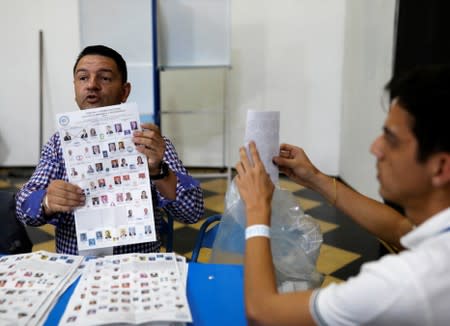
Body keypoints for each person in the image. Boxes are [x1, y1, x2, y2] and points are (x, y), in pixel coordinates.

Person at [235, 65, 450, 325]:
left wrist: (257, 209)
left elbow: (263, 311)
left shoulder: (406, 282)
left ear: (440, 166)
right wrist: (317, 179)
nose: (375, 148)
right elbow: (399, 229)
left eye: (391, 139)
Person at [16, 45, 204, 255]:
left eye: (104, 78)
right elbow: (23, 206)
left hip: (137, 266)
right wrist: (47, 201)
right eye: (83, 78)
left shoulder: (151, 143)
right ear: (75, 88)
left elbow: (192, 212)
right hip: (77, 267)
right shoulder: (58, 145)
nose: (92, 85)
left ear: (124, 91)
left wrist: (158, 171)